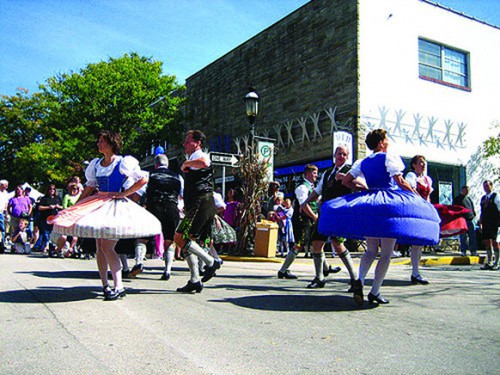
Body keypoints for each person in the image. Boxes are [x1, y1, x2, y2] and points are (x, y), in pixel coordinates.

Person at [319, 129, 440, 305]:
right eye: (386, 139)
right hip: (389, 205)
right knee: (387, 252)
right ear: (381, 143)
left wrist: (363, 191)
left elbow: (346, 181)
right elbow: (399, 181)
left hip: (372, 203)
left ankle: (359, 280)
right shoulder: (389, 157)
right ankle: (375, 291)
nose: (388, 142)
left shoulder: (363, 162)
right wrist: (414, 195)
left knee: (371, 249)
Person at [49, 130, 161, 301]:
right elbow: (88, 187)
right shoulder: (96, 164)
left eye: (101, 141)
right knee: (100, 247)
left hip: (115, 206)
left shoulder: (123, 162)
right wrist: (76, 206)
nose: (98, 144)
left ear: (110, 143)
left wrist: (125, 194)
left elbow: (143, 179)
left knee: (107, 247)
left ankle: (119, 286)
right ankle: (105, 286)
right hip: (98, 204)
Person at [301, 146, 360, 290]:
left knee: (337, 244)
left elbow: (360, 187)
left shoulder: (351, 171)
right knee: (317, 243)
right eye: (339, 153)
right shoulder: (327, 173)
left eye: (344, 154)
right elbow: (318, 190)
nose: (341, 156)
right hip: (325, 211)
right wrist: (305, 202)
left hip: (339, 212)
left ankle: (354, 279)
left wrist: (346, 180)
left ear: (347, 157)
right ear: (334, 155)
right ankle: (319, 278)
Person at [174, 130, 222, 293]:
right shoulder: (193, 157)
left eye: (188, 141)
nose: (185, 144)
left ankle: (210, 261)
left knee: (179, 237)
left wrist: (186, 165)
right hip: (199, 203)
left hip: (200, 202)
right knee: (189, 241)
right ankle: (194, 280)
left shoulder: (199, 155)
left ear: (197, 143)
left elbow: (204, 163)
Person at [144, 153, 183, 280]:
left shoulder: (149, 175)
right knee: (169, 240)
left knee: (142, 238)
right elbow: (182, 195)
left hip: (153, 208)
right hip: (171, 208)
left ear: (155, 164)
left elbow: (141, 191)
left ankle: (139, 263)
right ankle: (167, 270)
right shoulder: (178, 177)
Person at [479, 180, 499, 270]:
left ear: (491, 186)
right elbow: (482, 211)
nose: (486, 187)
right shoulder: (483, 198)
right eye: (484, 186)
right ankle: (489, 261)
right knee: (487, 242)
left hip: (494, 223)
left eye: (487, 185)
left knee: (495, 242)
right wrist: (480, 221)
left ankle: (497, 262)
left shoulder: (496, 196)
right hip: (486, 223)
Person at [37, 184, 63, 255]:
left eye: (53, 189)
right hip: (46, 218)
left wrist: (58, 206)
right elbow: (40, 207)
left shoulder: (57, 198)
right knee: (46, 234)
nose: (52, 191)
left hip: (55, 219)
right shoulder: (44, 198)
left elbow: (63, 207)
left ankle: (53, 248)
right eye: (50, 189)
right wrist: (48, 207)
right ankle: (45, 248)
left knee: (53, 234)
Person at [453, 186, 477, 256]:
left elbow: (472, 208)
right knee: (463, 236)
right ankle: (463, 251)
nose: (467, 191)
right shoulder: (458, 199)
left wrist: (473, 215)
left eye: (468, 190)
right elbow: (455, 209)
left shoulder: (469, 199)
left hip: (470, 219)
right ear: (462, 190)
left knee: (472, 236)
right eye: (466, 190)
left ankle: (473, 251)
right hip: (462, 220)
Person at [0, 179, 9, 253]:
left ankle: (2, 244)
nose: (7, 187)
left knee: (3, 229)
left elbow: (6, 203)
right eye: (5, 185)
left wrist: (6, 212)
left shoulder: (6, 193)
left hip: (2, 213)